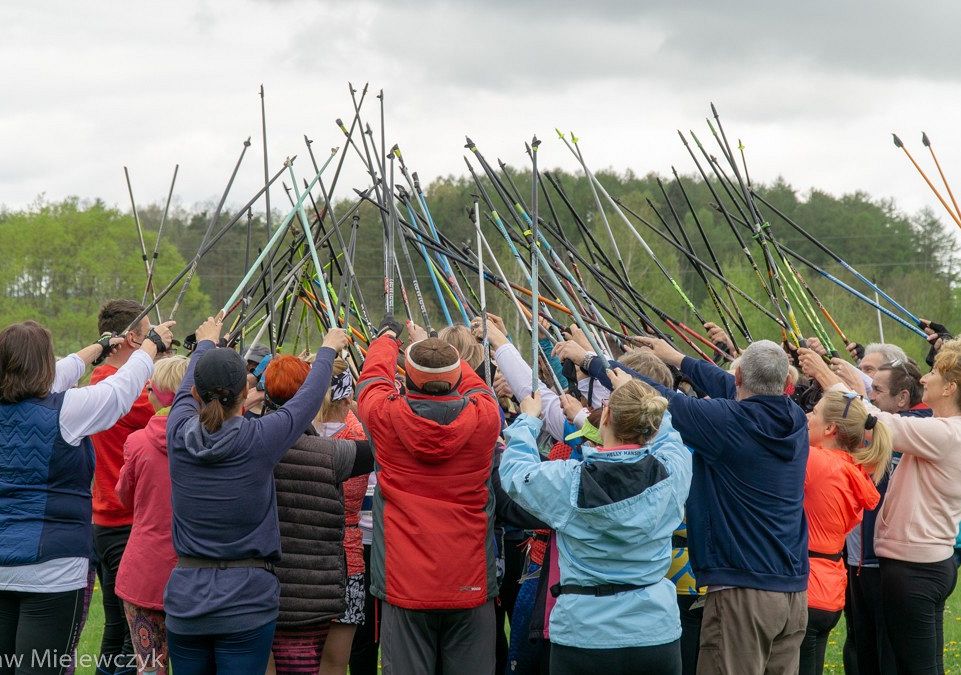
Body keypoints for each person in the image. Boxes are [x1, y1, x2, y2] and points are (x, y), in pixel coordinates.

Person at [164, 316, 349, 674]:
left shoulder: (177, 435)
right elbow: (306, 402)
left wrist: (205, 345)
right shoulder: (260, 440)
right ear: (245, 395)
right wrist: (327, 350)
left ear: (195, 396)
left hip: (186, 599)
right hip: (246, 602)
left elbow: (188, 387)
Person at [0, 318, 173, 675]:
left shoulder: (48, 404)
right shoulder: (66, 412)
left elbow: (55, 374)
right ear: (45, 365)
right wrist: (149, 346)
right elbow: (119, 392)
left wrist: (97, 348)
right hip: (54, 570)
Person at [633, 337, 809, 675]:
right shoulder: (795, 419)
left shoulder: (727, 421)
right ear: (787, 384)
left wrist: (592, 361)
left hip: (743, 594)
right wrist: (678, 358)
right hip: (792, 592)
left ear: (739, 376)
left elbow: (657, 398)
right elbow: (732, 383)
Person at [500, 371, 691, 675]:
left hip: (584, 634)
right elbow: (669, 437)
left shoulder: (568, 480)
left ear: (606, 417)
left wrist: (527, 420)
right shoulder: (672, 473)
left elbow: (515, 474)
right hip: (655, 633)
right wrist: (638, 395)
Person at [800, 343, 961, 675]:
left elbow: (877, 421)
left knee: (914, 667)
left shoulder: (947, 433)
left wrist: (825, 375)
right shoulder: (940, 428)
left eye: (933, 373)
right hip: (923, 564)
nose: (925, 378)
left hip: (915, 569)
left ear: (950, 387)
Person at [356, 317, 501, 675]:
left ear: (407, 377)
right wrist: (437, 347)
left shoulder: (384, 416)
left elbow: (372, 380)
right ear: (455, 376)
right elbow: (476, 384)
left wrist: (388, 338)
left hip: (405, 582)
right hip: (469, 579)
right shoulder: (485, 418)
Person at [261, 355, 373, 675]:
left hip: (279, 559)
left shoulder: (268, 437)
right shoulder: (355, 440)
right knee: (334, 661)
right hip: (343, 557)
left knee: (270, 654)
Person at [844, 358, 929, 675]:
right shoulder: (880, 426)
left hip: (886, 562)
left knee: (886, 655)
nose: (871, 396)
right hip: (857, 559)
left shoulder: (917, 427)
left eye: (876, 389)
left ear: (903, 398)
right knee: (862, 646)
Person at [799, 391, 892, 675]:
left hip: (806, 587)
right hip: (829, 588)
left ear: (830, 429)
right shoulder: (851, 469)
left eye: (814, 413)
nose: (806, 417)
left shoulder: (816, 462)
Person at [90, 299, 159, 674]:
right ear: (133, 337)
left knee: (120, 627)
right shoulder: (113, 386)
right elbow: (162, 404)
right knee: (127, 630)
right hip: (121, 522)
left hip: (114, 520)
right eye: (148, 331)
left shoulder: (107, 381)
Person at [114, 355, 190, 675]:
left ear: (158, 394)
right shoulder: (209, 443)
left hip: (143, 572)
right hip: (192, 574)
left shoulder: (137, 442)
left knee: (148, 667)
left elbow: (124, 496)